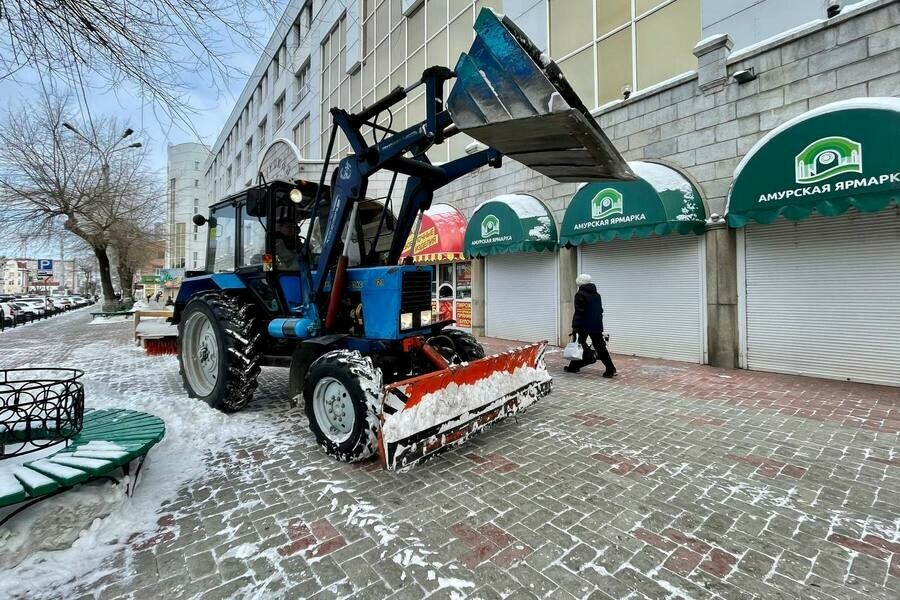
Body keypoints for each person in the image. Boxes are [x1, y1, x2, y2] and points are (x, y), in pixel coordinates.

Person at [565, 273, 617, 377]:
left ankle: (589, 358)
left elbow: (579, 312)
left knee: (580, 343)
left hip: (583, 324)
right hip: (596, 323)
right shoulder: (597, 295)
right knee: (600, 346)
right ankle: (610, 368)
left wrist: (575, 327)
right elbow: (600, 310)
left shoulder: (580, 294)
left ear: (579, 282)